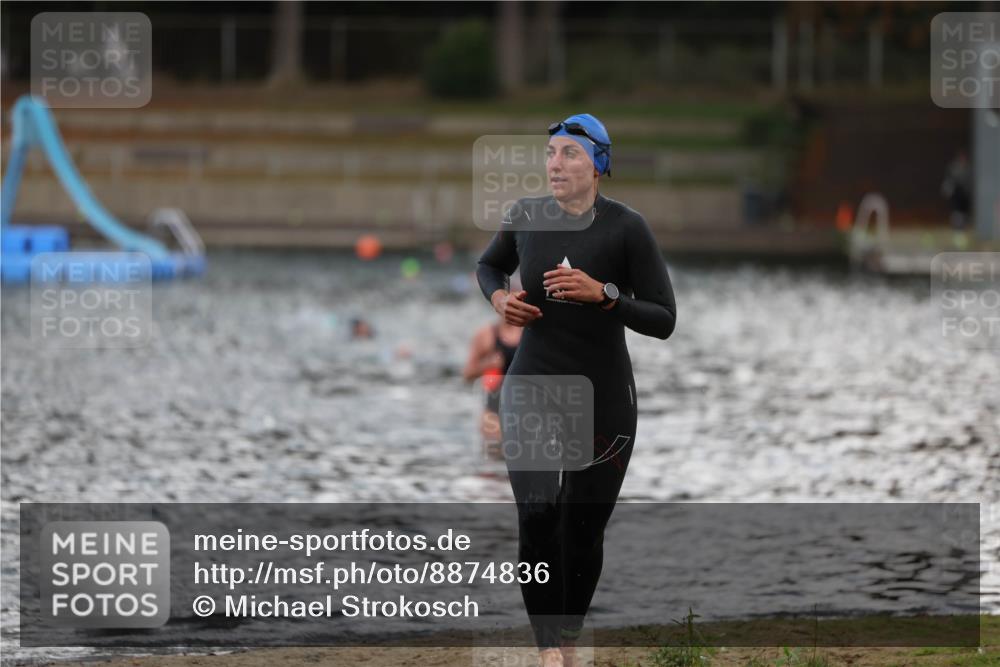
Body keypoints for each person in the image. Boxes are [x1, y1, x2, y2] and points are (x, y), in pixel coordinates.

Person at [475, 114, 677, 667]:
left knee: (581, 527)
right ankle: (549, 655)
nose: (555, 164)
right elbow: (489, 266)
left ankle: (566, 639)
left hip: (605, 397)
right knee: (538, 515)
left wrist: (605, 294)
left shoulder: (626, 229)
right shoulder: (526, 216)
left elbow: (664, 319)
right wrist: (499, 301)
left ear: (599, 165)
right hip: (533, 386)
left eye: (569, 154)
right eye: (550, 154)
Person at [463, 286, 523, 458]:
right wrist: (487, 364)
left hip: (523, 411)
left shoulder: (530, 334)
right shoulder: (486, 335)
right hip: (493, 413)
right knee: (493, 471)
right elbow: (467, 374)